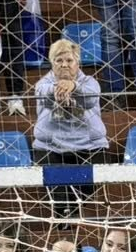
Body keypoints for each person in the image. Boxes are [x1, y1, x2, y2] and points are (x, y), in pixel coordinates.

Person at [31, 37, 108, 187]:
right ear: (52, 64)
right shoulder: (42, 84)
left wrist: (74, 86)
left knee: (84, 194)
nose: (64, 65)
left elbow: (89, 100)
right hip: (50, 149)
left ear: (77, 63)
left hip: (90, 148)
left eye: (69, 60)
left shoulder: (91, 82)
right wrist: (57, 89)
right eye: (58, 61)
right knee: (61, 200)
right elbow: (44, 96)